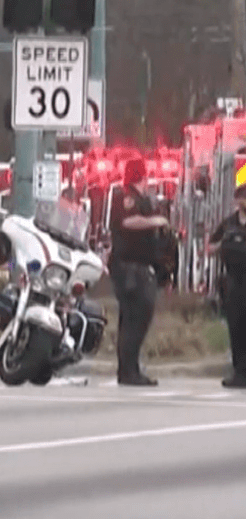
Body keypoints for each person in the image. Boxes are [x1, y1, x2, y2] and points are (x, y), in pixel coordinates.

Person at [108, 157, 169, 387]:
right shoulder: (128, 197)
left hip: (139, 267)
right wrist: (155, 221)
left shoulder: (142, 199)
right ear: (140, 176)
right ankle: (128, 371)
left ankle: (129, 369)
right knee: (136, 319)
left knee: (134, 320)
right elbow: (128, 222)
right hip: (130, 268)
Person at [207, 184, 246, 389]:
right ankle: (239, 373)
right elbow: (209, 247)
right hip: (233, 281)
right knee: (236, 327)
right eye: (241, 198)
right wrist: (223, 244)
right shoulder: (229, 224)